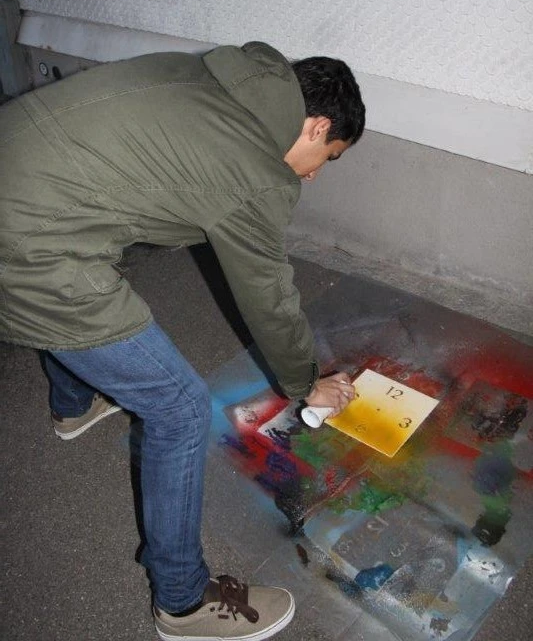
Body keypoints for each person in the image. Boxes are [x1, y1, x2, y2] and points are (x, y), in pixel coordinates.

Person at [0, 41, 365, 641]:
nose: (315, 172)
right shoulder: (253, 168)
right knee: (180, 408)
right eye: (328, 156)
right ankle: (182, 601)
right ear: (318, 126)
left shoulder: (211, 77)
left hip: (20, 176)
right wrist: (306, 382)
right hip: (26, 246)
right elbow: (268, 295)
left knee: (82, 263)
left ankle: (74, 404)